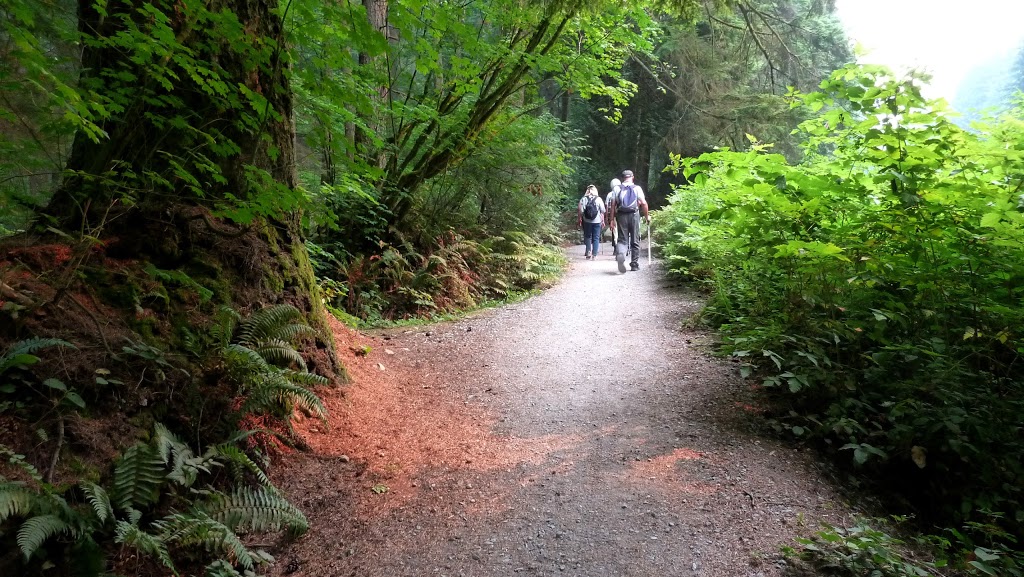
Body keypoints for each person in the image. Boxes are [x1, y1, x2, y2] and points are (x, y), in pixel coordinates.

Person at [609, 169, 649, 272]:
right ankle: (634, 264)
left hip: (621, 215)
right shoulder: (637, 188)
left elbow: (613, 205)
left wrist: (612, 220)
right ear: (632, 177)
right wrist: (646, 216)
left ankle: (621, 255)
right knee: (635, 240)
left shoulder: (616, 189)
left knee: (622, 240)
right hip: (634, 215)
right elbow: (643, 203)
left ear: (622, 178)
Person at [577, 184, 605, 260]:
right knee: (596, 237)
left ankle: (588, 251)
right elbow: (602, 210)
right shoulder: (599, 199)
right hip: (597, 221)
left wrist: (582, 218)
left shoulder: (584, 199)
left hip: (587, 221)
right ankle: (594, 255)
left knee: (587, 236)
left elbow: (581, 211)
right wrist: (603, 220)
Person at [605, 178, 621, 254]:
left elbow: (607, 206)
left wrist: (607, 218)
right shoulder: (622, 191)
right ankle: (625, 248)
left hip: (613, 215)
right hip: (622, 214)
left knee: (614, 232)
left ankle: (616, 248)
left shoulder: (609, 194)